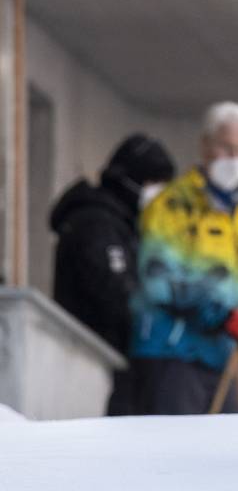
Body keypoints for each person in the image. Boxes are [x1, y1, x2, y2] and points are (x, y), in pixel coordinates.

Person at [130, 102, 238, 415]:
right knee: (177, 444)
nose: (234, 159)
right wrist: (221, 316)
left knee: (226, 443)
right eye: (226, 147)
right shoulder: (172, 204)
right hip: (171, 353)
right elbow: (159, 283)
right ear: (205, 145)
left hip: (217, 356)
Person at [50, 133, 175, 415]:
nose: (157, 194)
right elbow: (115, 292)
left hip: (113, 365)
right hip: (93, 363)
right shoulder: (96, 222)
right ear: (131, 179)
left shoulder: (122, 223)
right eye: (153, 183)